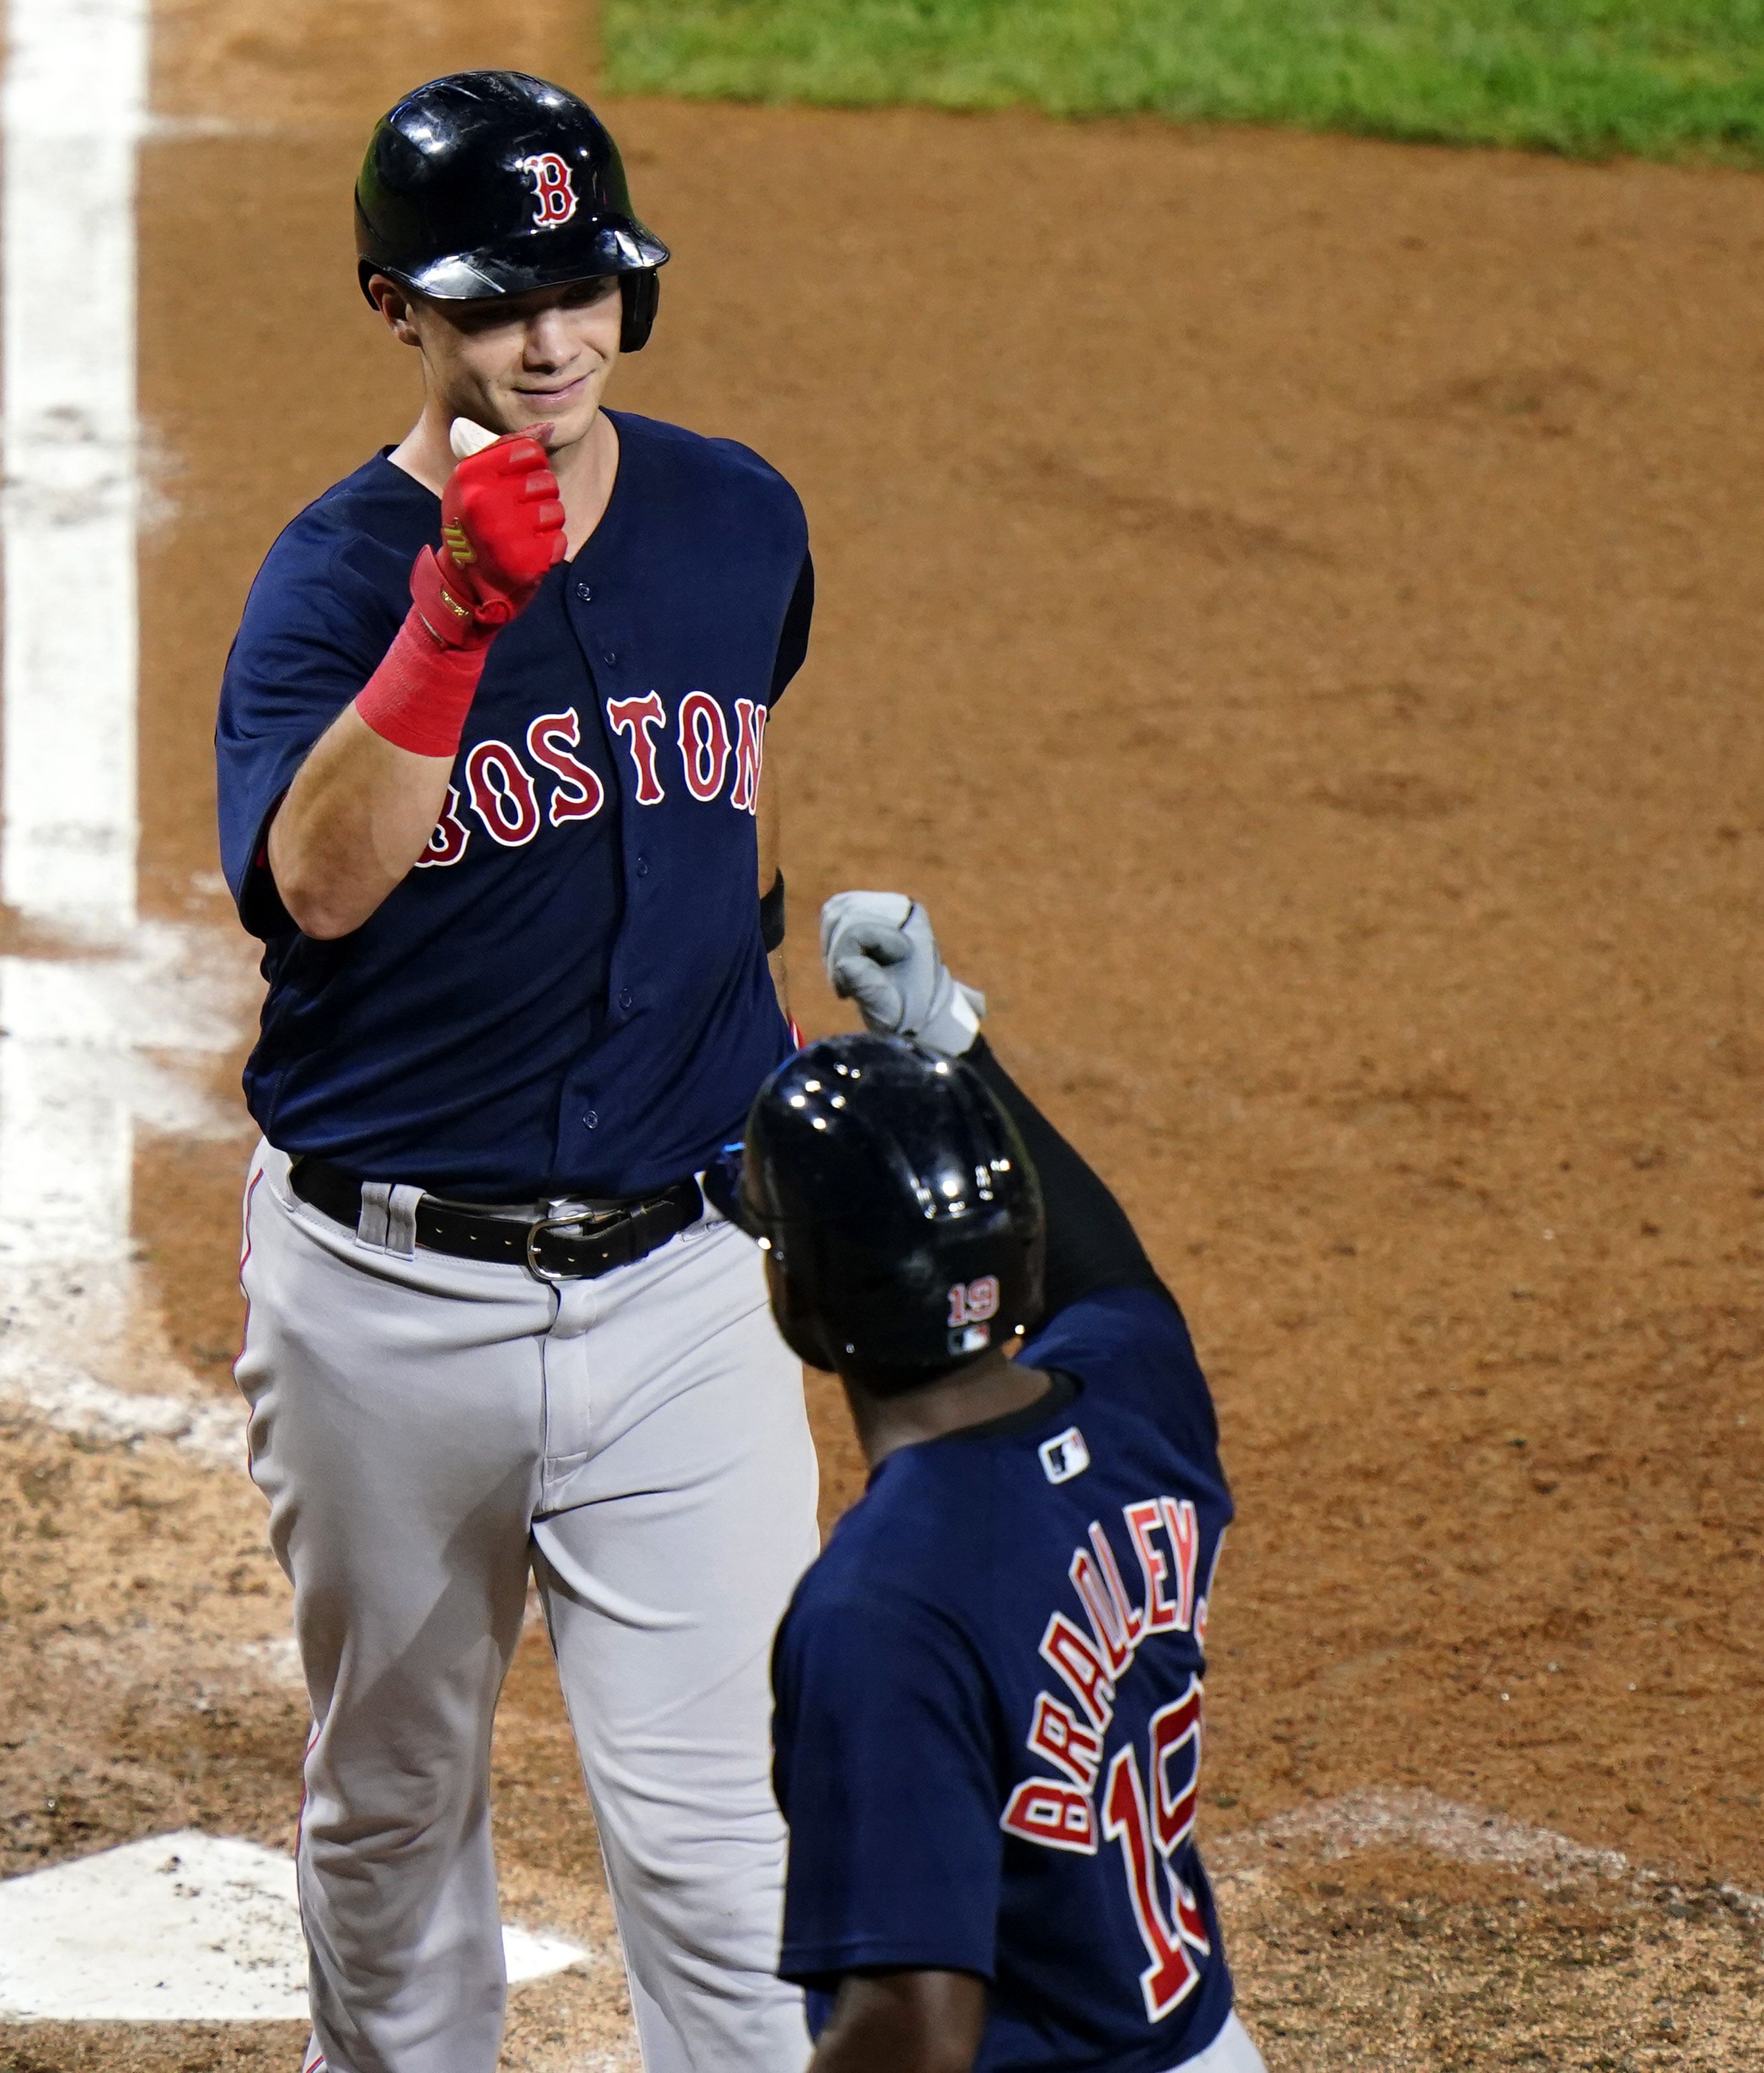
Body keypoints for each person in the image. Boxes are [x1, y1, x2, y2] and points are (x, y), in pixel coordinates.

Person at [212, 68, 820, 2073]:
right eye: (493, 302)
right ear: (392, 303)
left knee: (742, 1859)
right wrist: (453, 612)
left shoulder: (738, 521)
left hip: (678, 1292)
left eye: (584, 288)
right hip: (390, 1304)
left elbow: (702, 816)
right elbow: (313, 883)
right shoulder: (328, 582)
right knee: (390, 1817)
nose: (547, 342)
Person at [742, 894, 1267, 2073]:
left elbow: (913, 2026)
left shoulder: (878, 1604)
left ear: (805, 1308)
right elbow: (1107, 1269)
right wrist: (950, 1039)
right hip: (1203, 2041)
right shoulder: (1137, 1398)